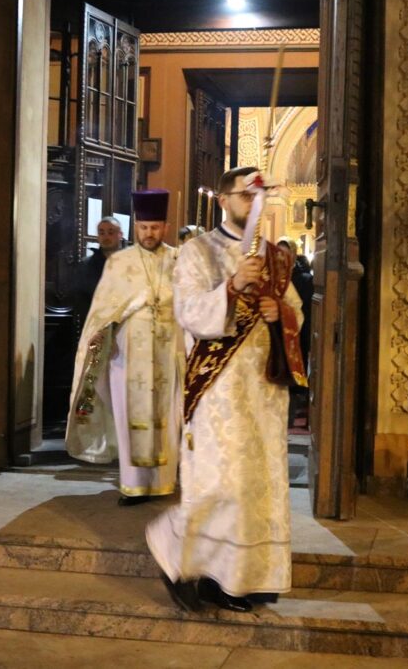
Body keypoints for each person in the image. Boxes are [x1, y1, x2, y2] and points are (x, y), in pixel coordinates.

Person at [146, 166, 305, 613]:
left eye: (258, 197)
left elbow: (295, 310)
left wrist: (280, 314)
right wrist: (232, 286)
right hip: (218, 390)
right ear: (223, 200)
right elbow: (189, 312)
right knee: (221, 484)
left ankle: (243, 578)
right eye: (245, 196)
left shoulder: (276, 257)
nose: (254, 204)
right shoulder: (197, 252)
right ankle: (175, 552)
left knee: (259, 486)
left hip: (264, 390)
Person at [65, 190, 184, 506]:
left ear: (166, 227)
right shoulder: (119, 263)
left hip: (168, 352)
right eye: (143, 227)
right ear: (135, 227)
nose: (149, 233)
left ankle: (163, 482)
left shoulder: (179, 260)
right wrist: (99, 336)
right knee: (129, 415)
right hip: (127, 355)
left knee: (168, 417)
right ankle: (133, 485)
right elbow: (103, 310)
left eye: (155, 227)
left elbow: (191, 304)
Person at [278, 238, 313, 426]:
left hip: (296, 334)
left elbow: (302, 310)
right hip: (275, 337)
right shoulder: (271, 275)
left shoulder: (304, 279)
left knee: (291, 379)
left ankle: (289, 418)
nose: (281, 257)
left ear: (293, 254)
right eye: (278, 252)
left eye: (286, 253)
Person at [73, 217, 124, 326]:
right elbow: (80, 300)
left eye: (111, 232)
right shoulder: (86, 266)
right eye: (102, 233)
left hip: (126, 325)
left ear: (120, 235)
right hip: (96, 326)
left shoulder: (132, 264)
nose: (106, 237)